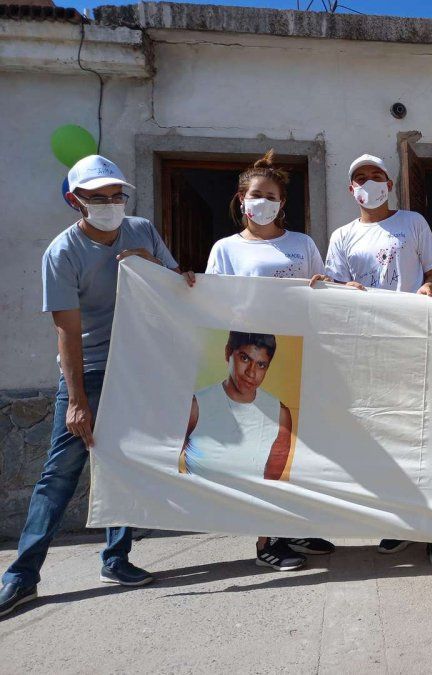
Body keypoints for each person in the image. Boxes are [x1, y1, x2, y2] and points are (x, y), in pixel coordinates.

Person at [1, 155, 182, 619]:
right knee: (60, 475)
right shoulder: (62, 253)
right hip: (93, 370)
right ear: (75, 201)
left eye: (116, 196)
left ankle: (116, 559)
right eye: (97, 198)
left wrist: (145, 264)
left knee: (124, 465)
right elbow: (67, 331)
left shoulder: (141, 230)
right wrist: (77, 401)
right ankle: (21, 577)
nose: (109, 204)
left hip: (139, 364)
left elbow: (180, 285)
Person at [315, 153, 432, 567]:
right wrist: (342, 288)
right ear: (350, 189)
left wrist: (430, 290)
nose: (369, 182)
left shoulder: (412, 223)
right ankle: (399, 524)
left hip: (414, 340)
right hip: (368, 349)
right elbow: (336, 287)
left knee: (426, 433)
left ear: (389, 185)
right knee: (387, 436)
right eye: (360, 177)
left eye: (377, 175)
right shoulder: (342, 236)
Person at [199, 150, 333, 571]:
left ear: (282, 202)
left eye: (271, 195)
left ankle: (291, 524)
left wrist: (324, 285)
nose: (263, 201)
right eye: (256, 194)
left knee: (297, 444)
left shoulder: (302, 244)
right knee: (263, 448)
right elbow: (213, 302)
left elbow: (325, 292)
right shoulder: (225, 249)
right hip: (255, 356)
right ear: (242, 198)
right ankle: (264, 542)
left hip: (297, 353)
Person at [181, 332, 291, 482]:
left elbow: (269, 486)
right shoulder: (195, 407)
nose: (251, 372)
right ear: (228, 353)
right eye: (245, 358)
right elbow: (164, 465)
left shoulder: (279, 415)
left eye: (261, 365)